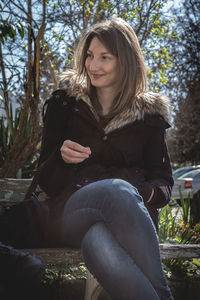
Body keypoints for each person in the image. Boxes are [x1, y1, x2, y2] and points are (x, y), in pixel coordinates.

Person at [0, 18, 174, 299]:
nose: (93, 65)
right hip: (70, 212)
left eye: (105, 57)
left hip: (128, 224)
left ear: (126, 61)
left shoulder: (150, 116)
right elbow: (44, 180)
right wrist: (61, 159)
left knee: (99, 244)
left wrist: (139, 192)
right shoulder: (65, 104)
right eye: (90, 56)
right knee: (115, 190)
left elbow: (164, 184)